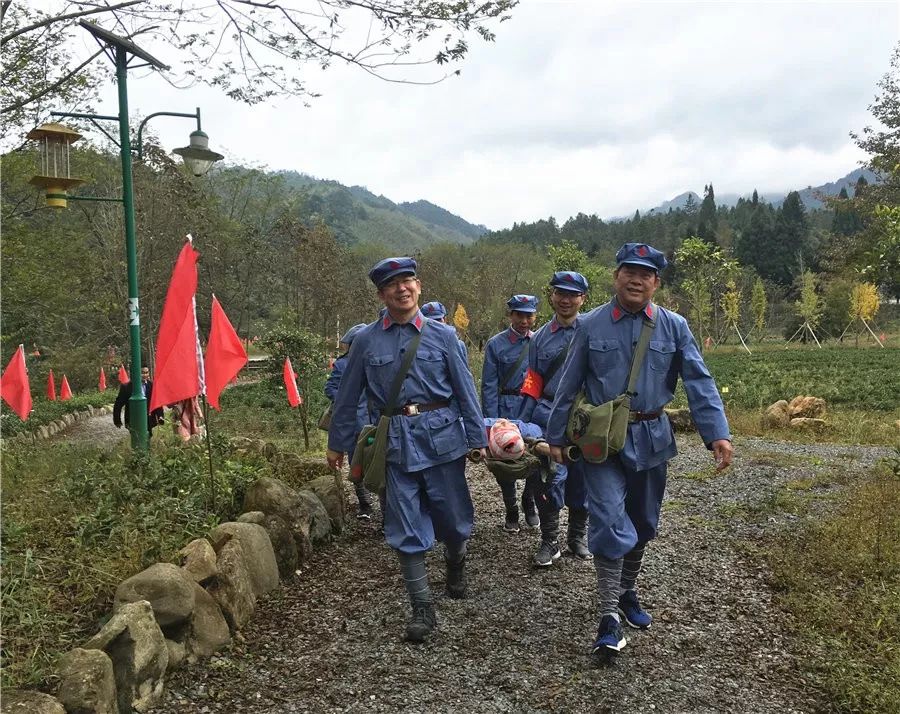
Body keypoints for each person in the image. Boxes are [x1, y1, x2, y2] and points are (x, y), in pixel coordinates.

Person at [545, 243, 733, 663]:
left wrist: (716, 433)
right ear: (616, 277)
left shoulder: (674, 326)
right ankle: (608, 618)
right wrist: (556, 437)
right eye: (629, 270)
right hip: (601, 443)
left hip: (652, 437)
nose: (636, 279)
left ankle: (626, 589)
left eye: (645, 273)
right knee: (610, 521)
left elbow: (698, 381)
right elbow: (568, 384)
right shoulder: (590, 326)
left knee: (644, 523)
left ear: (656, 283)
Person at [327, 257, 487, 644]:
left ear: (418, 286)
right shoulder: (366, 340)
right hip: (394, 444)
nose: (402, 288)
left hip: (443, 440)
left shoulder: (445, 336)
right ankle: (421, 605)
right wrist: (337, 444)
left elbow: (464, 389)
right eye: (393, 284)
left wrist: (477, 437)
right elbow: (348, 398)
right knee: (404, 525)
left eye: (408, 281)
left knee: (453, 517)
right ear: (382, 294)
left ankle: (455, 560)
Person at [519, 272, 591, 566]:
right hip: (547, 415)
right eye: (560, 293)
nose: (565, 300)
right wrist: (521, 423)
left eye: (572, 295)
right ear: (552, 296)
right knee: (547, 477)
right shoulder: (540, 339)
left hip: (584, 418)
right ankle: (550, 540)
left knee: (582, 477)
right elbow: (533, 380)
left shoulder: (593, 330)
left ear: (582, 299)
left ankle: (577, 536)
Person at [481, 294, 540, 532]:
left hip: (531, 406)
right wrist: (492, 421)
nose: (524, 321)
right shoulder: (496, 344)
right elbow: (488, 385)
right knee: (504, 457)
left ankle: (529, 499)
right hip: (505, 405)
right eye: (519, 315)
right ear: (511, 315)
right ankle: (511, 507)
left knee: (536, 454)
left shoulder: (539, 341)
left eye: (529, 315)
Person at [324, 323, 377, 520]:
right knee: (358, 463)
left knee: (381, 464)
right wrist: (346, 399)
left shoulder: (377, 360)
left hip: (379, 421)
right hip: (355, 423)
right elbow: (330, 388)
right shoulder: (343, 364)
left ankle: (388, 515)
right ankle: (365, 505)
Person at [113, 366, 164, 436]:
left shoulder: (151, 385)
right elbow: (118, 404)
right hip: (133, 419)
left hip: (148, 419)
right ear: (136, 373)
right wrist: (117, 420)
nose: (145, 375)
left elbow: (156, 401)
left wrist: (160, 416)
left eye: (147, 372)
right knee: (136, 437)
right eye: (142, 373)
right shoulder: (127, 387)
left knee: (148, 436)